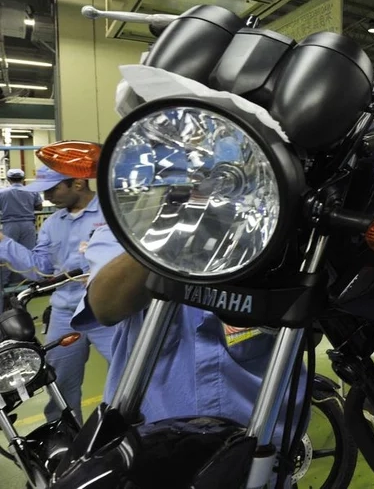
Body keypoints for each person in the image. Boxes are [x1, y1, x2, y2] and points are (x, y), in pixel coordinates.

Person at [73, 225, 307, 478]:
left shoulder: (280, 217)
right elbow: (106, 305)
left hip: (260, 445)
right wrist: (185, 226)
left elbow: (309, 331)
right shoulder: (133, 217)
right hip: (148, 445)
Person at [0, 166, 114, 420]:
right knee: (60, 385)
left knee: (129, 376)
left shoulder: (113, 214)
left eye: (53, 189)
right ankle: (69, 443)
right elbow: (41, 269)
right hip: (65, 313)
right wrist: (4, 244)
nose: (48, 197)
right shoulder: (53, 223)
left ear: (78, 183)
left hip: (108, 310)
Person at [0, 169, 43, 298]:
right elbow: (39, 207)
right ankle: (29, 282)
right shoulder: (31, 191)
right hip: (28, 225)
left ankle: (4, 283)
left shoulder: (2, 192)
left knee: (6, 253)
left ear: (8, 179)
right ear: (23, 179)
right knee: (28, 254)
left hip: (10, 225)